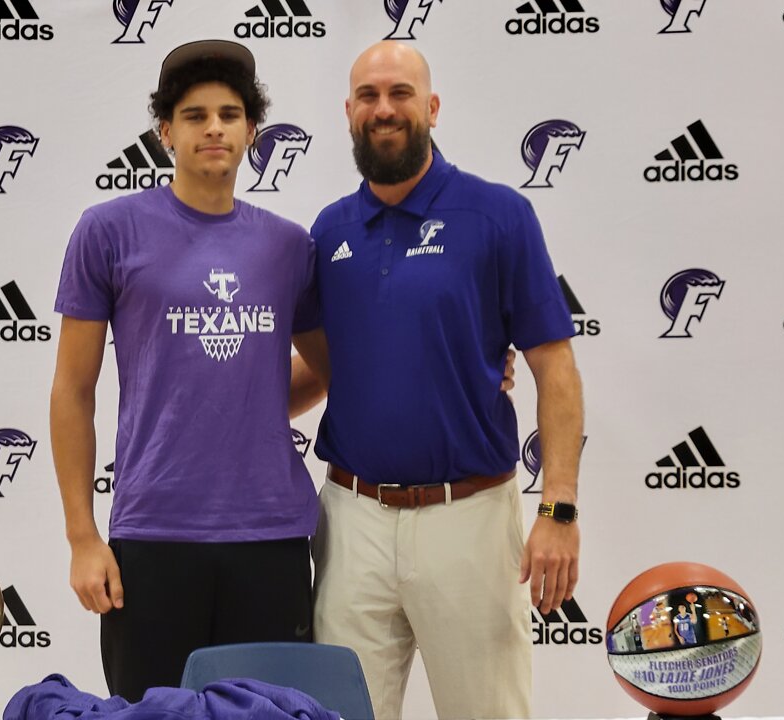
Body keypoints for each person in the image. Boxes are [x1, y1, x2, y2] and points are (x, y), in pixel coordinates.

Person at [292, 41, 586, 719]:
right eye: (368, 96)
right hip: (351, 520)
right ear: (347, 112)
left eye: (400, 93)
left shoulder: (498, 215)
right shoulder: (330, 230)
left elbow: (555, 367)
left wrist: (559, 507)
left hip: (471, 519)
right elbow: (330, 365)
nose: (384, 109)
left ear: (432, 106)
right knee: (341, 714)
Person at [49, 39, 325, 702]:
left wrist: (474, 370)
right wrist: (83, 537)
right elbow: (72, 390)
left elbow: (332, 367)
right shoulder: (109, 231)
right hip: (152, 536)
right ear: (165, 131)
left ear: (252, 131)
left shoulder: (289, 246)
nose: (214, 128)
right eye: (195, 115)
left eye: (230, 114)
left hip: (272, 537)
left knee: (269, 716)